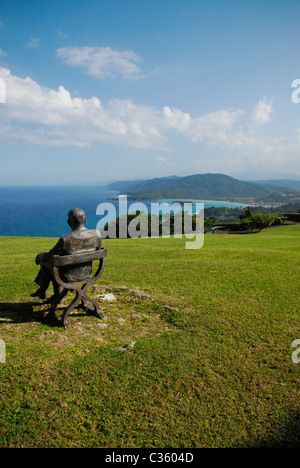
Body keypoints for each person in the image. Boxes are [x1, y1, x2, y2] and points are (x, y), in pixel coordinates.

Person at [31, 208, 101, 301]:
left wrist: (40, 256)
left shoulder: (66, 239)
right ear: (85, 220)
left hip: (67, 275)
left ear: (68, 222)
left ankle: (50, 293)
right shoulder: (96, 235)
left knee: (48, 265)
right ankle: (45, 291)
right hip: (86, 273)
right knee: (54, 265)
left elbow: (50, 256)